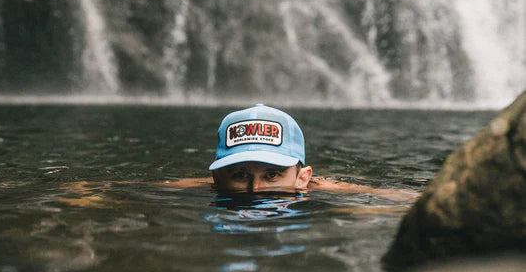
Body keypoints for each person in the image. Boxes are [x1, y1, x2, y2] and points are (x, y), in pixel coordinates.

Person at [166, 104, 417, 201]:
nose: (255, 189)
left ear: (303, 178)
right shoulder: (205, 185)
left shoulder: (326, 188)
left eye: (272, 174)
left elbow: (390, 196)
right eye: (241, 175)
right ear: (217, 177)